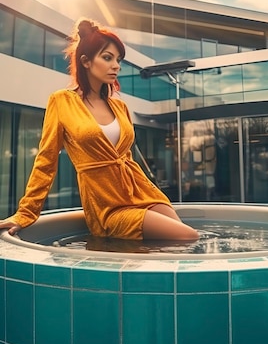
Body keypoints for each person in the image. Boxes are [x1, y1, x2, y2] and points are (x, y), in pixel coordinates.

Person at [0, 19, 199, 241]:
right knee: (188, 236)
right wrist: (26, 212)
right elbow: (45, 162)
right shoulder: (62, 101)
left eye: (118, 60)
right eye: (107, 58)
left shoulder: (119, 106)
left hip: (139, 193)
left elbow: (127, 158)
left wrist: (148, 192)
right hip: (106, 207)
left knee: (181, 241)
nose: (116, 65)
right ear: (85, 61)